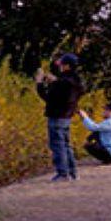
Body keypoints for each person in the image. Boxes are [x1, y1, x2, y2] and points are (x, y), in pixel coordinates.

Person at [35, 53, 84, 182]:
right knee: (66, 145)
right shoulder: (76, 81)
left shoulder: (62, 83)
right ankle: (72, 172)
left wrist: (39, 83)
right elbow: (67, 87)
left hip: (57, 116)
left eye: (61, 64)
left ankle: (63, 174)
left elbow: (48, 97)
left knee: (57, 145)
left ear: (67, 66)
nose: (60, 66)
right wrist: (56, 81)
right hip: (67, 116)